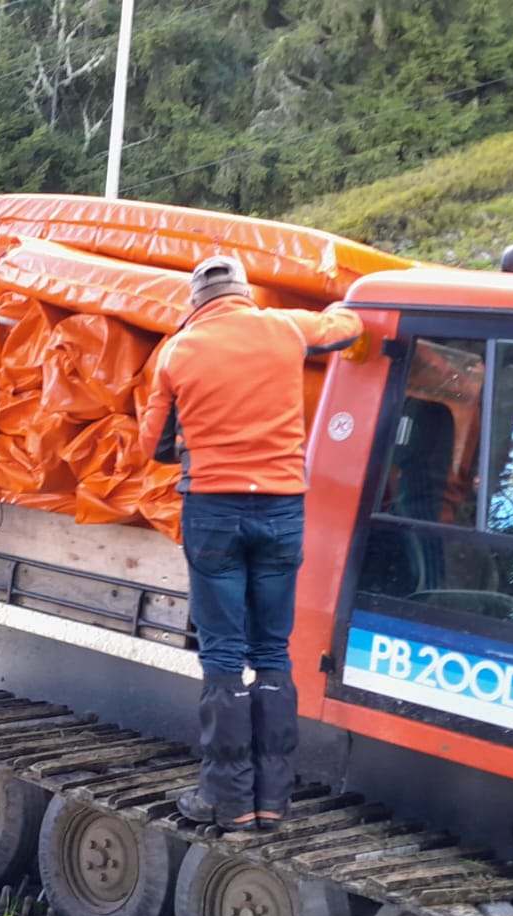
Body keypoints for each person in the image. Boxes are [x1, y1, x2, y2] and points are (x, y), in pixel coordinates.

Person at [138, 256, 363, 833]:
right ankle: (272, 801)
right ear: (243, 294)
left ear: (196, 302)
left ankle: (228, 800)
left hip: (213, 511)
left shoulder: (178, 352)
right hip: (282, 509)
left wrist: (190, 441)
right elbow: (349, 326)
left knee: (221, 654)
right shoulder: (285, 327)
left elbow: (151, 445)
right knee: (271, 652)